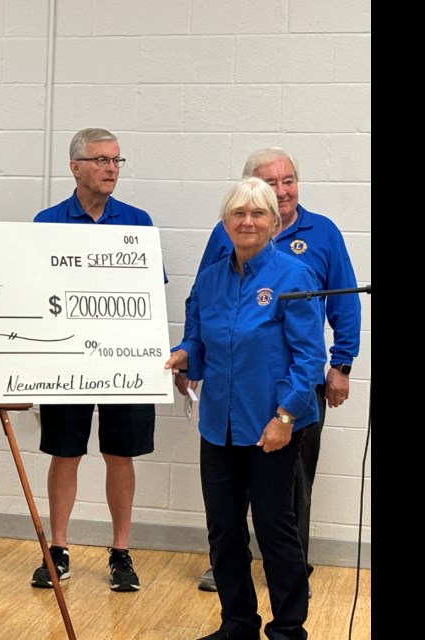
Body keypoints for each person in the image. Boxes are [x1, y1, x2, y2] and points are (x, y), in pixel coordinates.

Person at [185, 148, 362, 593]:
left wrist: (340, 364)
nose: (281, 191)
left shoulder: (321, 234)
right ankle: (232, 575)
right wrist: (190, 354)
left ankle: (289, 569)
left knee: (285, 498)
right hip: (231, 392)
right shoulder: (224, 235)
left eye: (288, 181)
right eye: (270, 182)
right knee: (226, 506)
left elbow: (344, 304)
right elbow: (201, 299)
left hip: (294, 390)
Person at [166, 177, 325, 640]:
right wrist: (182, 355)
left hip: (273, 425)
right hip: (219, 425)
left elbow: (309, 358)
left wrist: (285, 418)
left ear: (274, 223)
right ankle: (237, 624)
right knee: (223, 530)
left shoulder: (294, 277)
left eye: (258, 214)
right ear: (225, 222)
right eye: (238, 213)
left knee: (276, 530)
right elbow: (198, 338)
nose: (247, 221)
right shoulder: (211, 278)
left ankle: (288, 629)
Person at [30, 128, 157, 592]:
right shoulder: (47, 222)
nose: (110, 169)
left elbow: (147, 294)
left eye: (117, 161)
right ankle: (57, 550)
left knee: (119, 454)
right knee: (64, 452)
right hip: (67, 357)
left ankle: (120, 552)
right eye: (101, 160)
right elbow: (35, 292)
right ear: (76, 166)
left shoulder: (138, 221)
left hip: (122, 358)